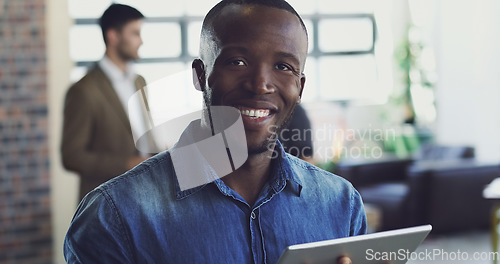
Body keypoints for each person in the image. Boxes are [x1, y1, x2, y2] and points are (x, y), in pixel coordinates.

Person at [64, 1, 366, 263]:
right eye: (237, 61)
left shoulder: (342, 205)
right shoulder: (114, 217)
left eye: (283, 66)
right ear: (200, 74)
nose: (260, 84)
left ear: (300, 87)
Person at [61, 4, 150, 201]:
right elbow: (72, 156)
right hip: (104, 203)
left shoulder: (139, 81)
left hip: (142, 196)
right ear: (113, 36)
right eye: (135, 33)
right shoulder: (83, 90)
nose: (141, 41)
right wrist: (127, 164)